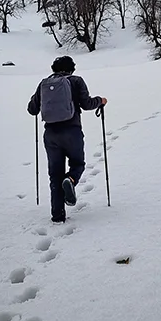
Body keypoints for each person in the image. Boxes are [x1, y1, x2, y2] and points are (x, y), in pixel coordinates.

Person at [27, 56, 107, 223]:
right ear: (71, 68)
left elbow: (32, 109)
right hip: (72, 131)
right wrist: (100, 101)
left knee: (54, 175)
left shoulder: (44, 83)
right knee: (78, 164)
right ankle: (70, 179)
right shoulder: (76, 81)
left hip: (50, 134)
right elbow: (86, 104)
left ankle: (57, 216)